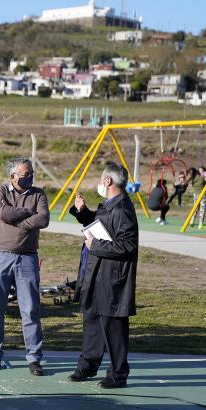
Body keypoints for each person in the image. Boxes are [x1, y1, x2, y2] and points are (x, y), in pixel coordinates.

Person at [68, 163, 138, 389]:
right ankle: (87, 366)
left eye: (101, 178)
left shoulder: (123, 209)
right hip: (97, 274)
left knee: (113, 327)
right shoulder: (111, 205)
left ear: (108, 181)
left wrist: (95, 245)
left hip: (112, 278)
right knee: (92, 321)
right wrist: (82, 211)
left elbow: (127, 246)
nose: (100, 182)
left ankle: (118, 374)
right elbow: (101, 225)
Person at [0, 158, 50, 376]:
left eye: (31, 174)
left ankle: (34, 357)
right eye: (24, 175)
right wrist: (27, 213)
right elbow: (1, 214)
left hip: (28, 258)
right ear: (12, 176)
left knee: (30, 310)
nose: (29, 178)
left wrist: (18, 219)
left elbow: (43, 219)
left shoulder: (38, 194)